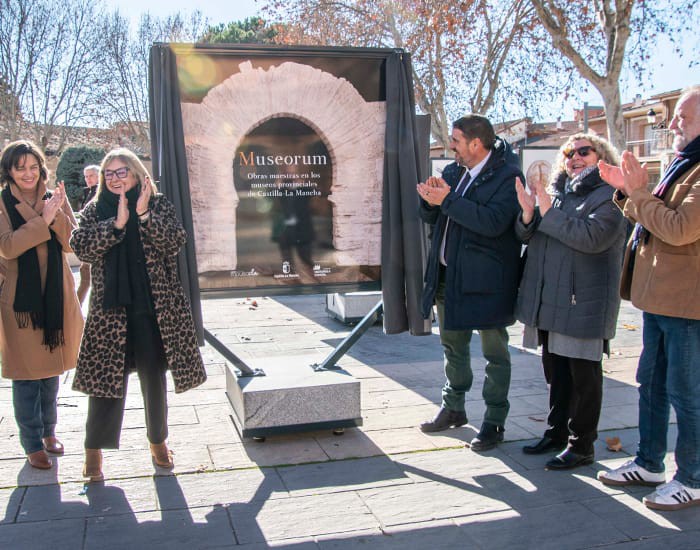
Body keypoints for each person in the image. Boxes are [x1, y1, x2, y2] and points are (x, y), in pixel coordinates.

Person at [70, 148, 207, 481]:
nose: (116, 179)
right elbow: (81, 246)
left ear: (135, 173)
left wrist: (143, 214)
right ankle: (93, 453)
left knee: (153, 378)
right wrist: (116, 225)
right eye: (110, 174)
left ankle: (158, 442)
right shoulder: (94, 210)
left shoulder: (158, 205)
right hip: (110, 310)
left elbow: (175, 242)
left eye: (122, 172)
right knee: (104, 385)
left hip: (151, 308)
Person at [597, 86, 700, 510]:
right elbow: (655, 217)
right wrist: (628, 192)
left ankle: (692, 478)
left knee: (686, 392)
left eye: (684, 117)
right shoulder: (684, 164)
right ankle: (650, 463)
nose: (673, 123)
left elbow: (679, 229)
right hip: (659, 301)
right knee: (652, 385)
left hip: (686, 307)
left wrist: (638, 193)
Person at [514, 134, 626, 469]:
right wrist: (528, 214)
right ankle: (556, 433)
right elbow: (528, 236)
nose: (574, 157)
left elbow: (592, 238)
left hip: (583, 302)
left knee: (584, 378)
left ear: (601, 156)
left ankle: (582, 445)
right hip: (552, 301)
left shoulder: (610, 196)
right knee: (557, 374)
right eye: (568, 152)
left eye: (583, 151)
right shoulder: (560, 194)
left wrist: (547, 211)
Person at [417, 115, 522, 451]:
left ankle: (494, 421)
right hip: (449, 276)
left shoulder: (508, 176)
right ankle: (454, 408)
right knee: (453, 347)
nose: (452, 146)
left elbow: (491, 223)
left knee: (495, 354)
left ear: (477, 143)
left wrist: (445, 201)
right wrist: (429, 200)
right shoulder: (452, 172)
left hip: (489, 282)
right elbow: (434, 216)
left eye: (457, 140)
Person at [0, 140, 84, 469]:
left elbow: (71, 242)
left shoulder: (54, 198)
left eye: (33, 166)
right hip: (21, 302)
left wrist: (58, 214)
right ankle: (32, 442)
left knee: (51, 370)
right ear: (9, 171)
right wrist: (42, 221)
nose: (28, 173)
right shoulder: (3, 203)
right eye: (20, 168)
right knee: (26, 374)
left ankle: (50, 431)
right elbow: (7, 247)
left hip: (56, 295)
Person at [76, 164, 100, 305]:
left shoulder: (99, 194)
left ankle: (76, 311)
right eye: (86, 176)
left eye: (91, 176)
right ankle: (76, 310)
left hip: (95, 244)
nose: (88, 179)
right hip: (88, 243)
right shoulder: (88, 193)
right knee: (85, 278)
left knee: (87, 280)